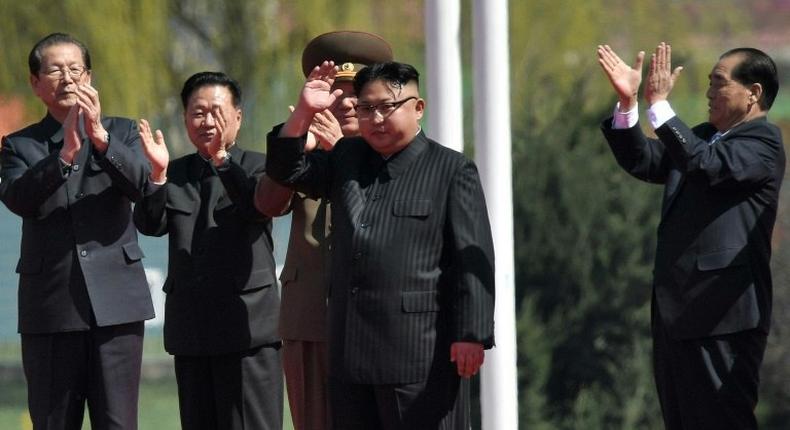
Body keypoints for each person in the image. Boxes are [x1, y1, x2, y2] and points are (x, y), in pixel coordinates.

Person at [266, 61, 496, 429]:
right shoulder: (347, 158)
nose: (375, 118)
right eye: (366, 108)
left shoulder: (451, 170)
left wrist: (471, 334)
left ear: (418, 107)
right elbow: (285, 170)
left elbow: (472, 259)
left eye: (386, 107)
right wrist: (305, 111)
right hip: (350, 356)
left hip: (420, 356)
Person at [598, 42, 784, 429]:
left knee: (722, 419)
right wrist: (628, 104)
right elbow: (645, 161)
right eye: (709, 84)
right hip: (677, 314)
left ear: (754, 93)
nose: (709, 93)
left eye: (719, 84)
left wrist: (661, 105)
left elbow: (706, 166)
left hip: (722, 317)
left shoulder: (762, 144)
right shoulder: (703, 137)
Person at [0, 33, 154, 429]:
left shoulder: (121, 132)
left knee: (118, 422)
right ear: (36, 83)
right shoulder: (19, 146)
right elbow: (19, 198)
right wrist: (65, 154)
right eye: (54, 70)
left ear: (89, 77)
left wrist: (98, 138)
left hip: (117, 309)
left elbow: (140, 184)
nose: (67, 78)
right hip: (51, 308)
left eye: (75, 69)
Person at [133, 71, 292, 430]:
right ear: (185, 118)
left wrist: (222, 161)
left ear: (238, 116)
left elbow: (255, 208)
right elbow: (149, 224)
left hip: (248, 330)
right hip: (192, 330)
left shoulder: (260, 166)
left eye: (216, 111)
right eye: (197, 112)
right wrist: (157, 176)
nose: (207, 121)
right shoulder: (174, 172)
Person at [254, 30, 393, 430]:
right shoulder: (297, 142)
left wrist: (340, 155)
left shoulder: (388, 149)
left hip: (373, 317)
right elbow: (266, 204)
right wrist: (302, 143)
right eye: (337, 91)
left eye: (357, 92)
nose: (347, 102)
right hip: (309, 312)